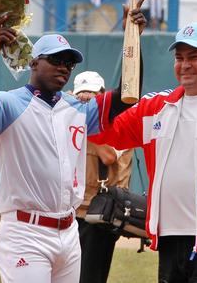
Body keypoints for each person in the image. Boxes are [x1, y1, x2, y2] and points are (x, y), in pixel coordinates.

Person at [0, 1, 146, 283]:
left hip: (68, 232)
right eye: (55, 60)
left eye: (68, 62)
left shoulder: (79, 108)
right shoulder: (9, 104)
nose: (64, 67)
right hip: (25, 232)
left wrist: (133, 37)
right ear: (34, 62)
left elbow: (129, 93)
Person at [90, 22, 197, 283]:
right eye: (179, 58)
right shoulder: (155, 107)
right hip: (169, 236)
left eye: (195, 56)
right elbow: (105, 130)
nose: (185, 65)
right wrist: (76, 106)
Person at [72, 71, 133, 283]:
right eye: (82, 95)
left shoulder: (119, 121)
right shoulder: (71, 119)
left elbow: (108, 156)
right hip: (75, 211)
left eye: (93, 95)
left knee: (90, 277)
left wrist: (85, 121)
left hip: (102, 213)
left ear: (104, 95)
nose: (87, 99)